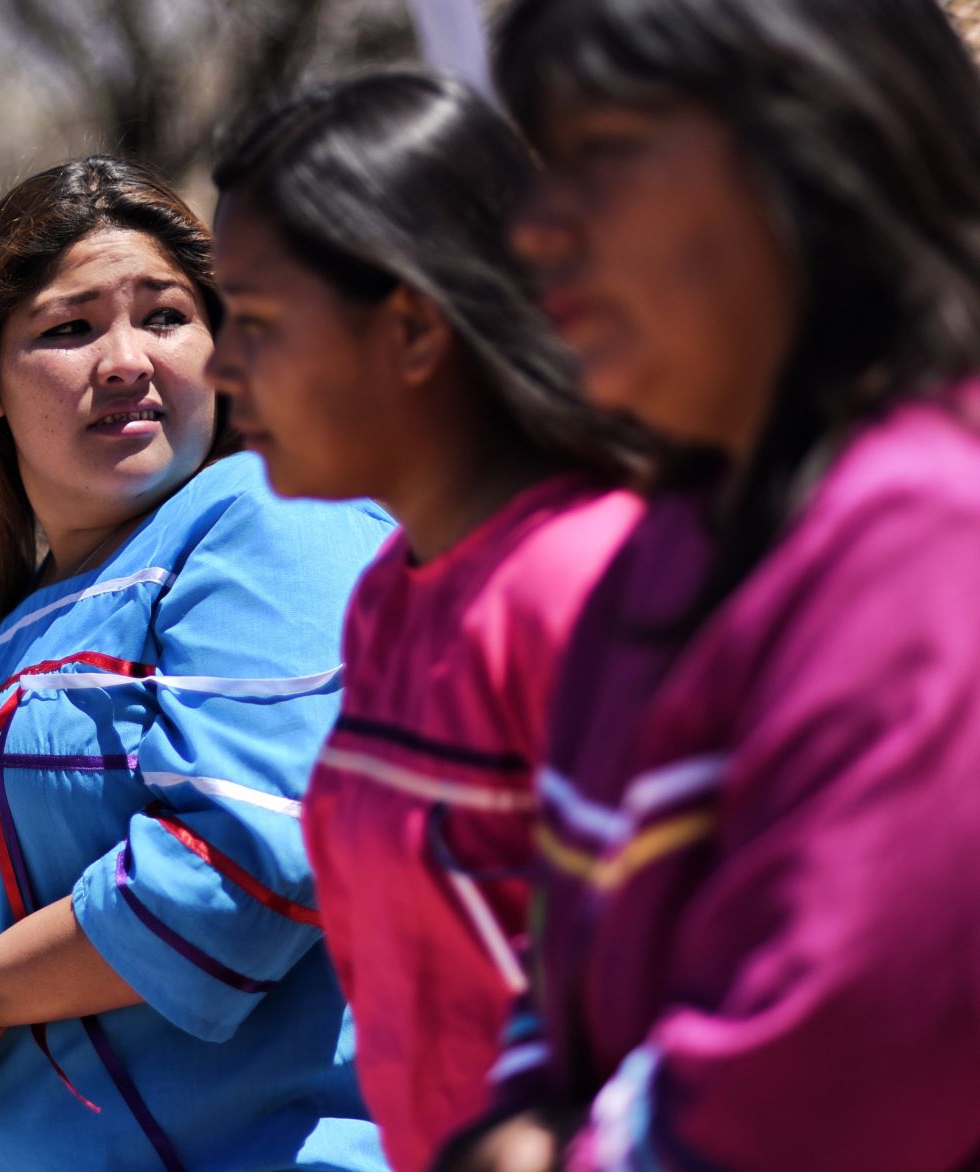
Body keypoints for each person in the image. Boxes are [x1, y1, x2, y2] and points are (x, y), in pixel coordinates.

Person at [437, 0, 980, 1169]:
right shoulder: (673, 540)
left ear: (814, 150)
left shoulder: (927, 538)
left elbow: (826, 1077)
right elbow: (570, 967)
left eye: (600, 156)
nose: (534, 229)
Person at [0, 155, 393, 1171]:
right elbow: (63, 972)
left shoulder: (274, 519)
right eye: (70, 329)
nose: (124, 360)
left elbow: (242, 862)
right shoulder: (5, 639)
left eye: (163, 316)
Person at [207, 70, 647, 1172]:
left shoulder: (588, 584)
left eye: (255, 323)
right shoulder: (387, 599)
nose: (218, 366)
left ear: (411, 326)